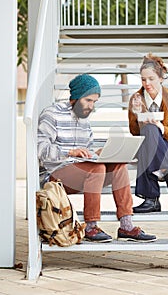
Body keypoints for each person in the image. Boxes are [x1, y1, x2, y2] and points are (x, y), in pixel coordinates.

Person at [37, 74, 157, 242]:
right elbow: (41, 150)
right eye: (88, 101)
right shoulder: (51, 114)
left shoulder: (84, 121)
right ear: (76, 97)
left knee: (118, 165)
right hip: (55, 176)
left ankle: (126, 226)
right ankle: (91, 227)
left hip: (82, 173)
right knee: (97, 169)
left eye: (94, 102)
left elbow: (85, 154)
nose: (91, 106)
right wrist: (70, 152)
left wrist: (101, 153)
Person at [128, 53, 168, 213]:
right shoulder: (136, 98)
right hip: (147, 146)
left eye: (151, 79)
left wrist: (161, 127)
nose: (147, 83)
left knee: (151, 130)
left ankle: (151, 199)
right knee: (147, 130)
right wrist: (136, 115)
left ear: (161, 78)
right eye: (143, 79)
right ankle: (167, 173)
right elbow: (134, 132)